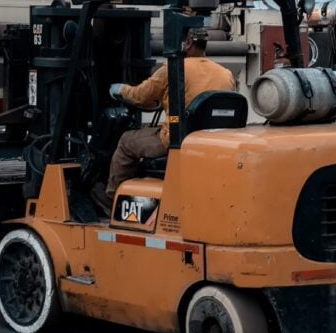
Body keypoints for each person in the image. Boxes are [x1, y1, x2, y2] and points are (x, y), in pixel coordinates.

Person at [93, 28, 235, 214]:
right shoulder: (226, 74)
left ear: (188, 43)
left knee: (127, 142)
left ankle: (111, 199)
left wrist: (119, 89)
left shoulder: (173, 69)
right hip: (210, 142)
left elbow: (139, 96)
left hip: (177, 140)